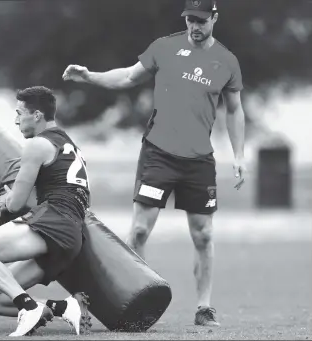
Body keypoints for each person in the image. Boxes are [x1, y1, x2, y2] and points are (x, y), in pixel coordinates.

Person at [62, 0, 247, 327]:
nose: (195, 26)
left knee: (203, 235)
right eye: (190, 19)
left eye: (202, 20)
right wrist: (90, 77)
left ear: (215, 18)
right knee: (139, 230)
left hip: (199, 160)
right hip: (158, 154)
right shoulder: (164, 47)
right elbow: (128, 78)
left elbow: (234, 110)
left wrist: (239, 155)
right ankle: (134, 303)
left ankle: (204, 309)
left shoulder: (227, 61)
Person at [0, 86, 92, 337]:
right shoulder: (68, 143)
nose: (16, 120)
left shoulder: (38, 145)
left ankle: (28, 307)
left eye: (20, 113)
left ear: (37, 115)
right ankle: (65, 307)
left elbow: (14, 204)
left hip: (54, 223)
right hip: (72, 235)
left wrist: (8, 198)